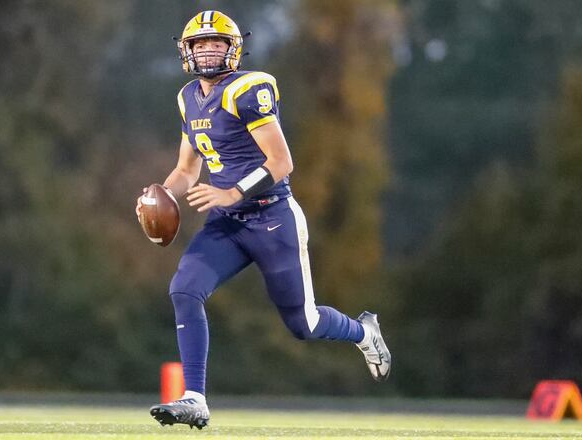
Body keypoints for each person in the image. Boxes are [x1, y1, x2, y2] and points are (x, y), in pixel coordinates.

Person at [136, 10, 391, 430]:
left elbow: (281, 160)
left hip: (272, 216)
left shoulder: (247, 89)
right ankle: (195, 397)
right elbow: (186, 170)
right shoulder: (187, 97)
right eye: (200, 44)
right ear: (187, 51)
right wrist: (159, 195)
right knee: (184, 288)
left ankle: (364, 333)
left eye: (217, 43)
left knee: (303, 324)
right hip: (228, 221)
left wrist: (232, 191)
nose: (208, 51)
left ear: (234, 49)